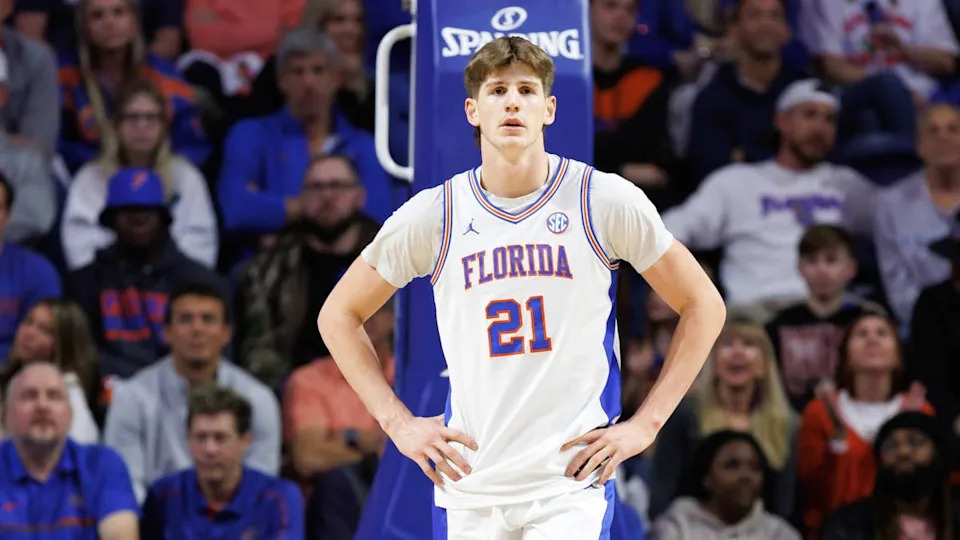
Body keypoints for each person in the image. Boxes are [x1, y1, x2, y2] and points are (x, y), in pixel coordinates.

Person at [317, 36, 727, 538]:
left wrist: (647, 424)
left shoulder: (602, 200)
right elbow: (337, 315)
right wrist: (398, 423)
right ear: (472, 110)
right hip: (470, 484)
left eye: (527, 90)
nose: (513, 101)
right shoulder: (435, 214)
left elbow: (703, 303)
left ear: (549, 108)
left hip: (567, 484)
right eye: (497, 90)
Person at [141, 384, 303, 540]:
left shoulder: (279, 497)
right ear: (187, 440)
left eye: (221, 438)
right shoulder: (163, 495)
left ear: (245, 442)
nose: (210, 449)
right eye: (200, 437)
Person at [0, 362, 138, 539]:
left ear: (70, 414)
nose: (42, 405)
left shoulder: (103, 465)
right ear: (6, 415)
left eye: (54, 396)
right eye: (29, 396)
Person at [821, 411, 958, 540]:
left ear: (938, 454)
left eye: (915, 442)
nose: (903, 452)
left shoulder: (955, 518)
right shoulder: (848, 525)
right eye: (891, 446)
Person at [650, 430, 801, 540]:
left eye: (755, 467)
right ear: (706, 478)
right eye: (732, 465)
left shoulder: (780, 534)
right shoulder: (676, 526)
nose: (746, 476)